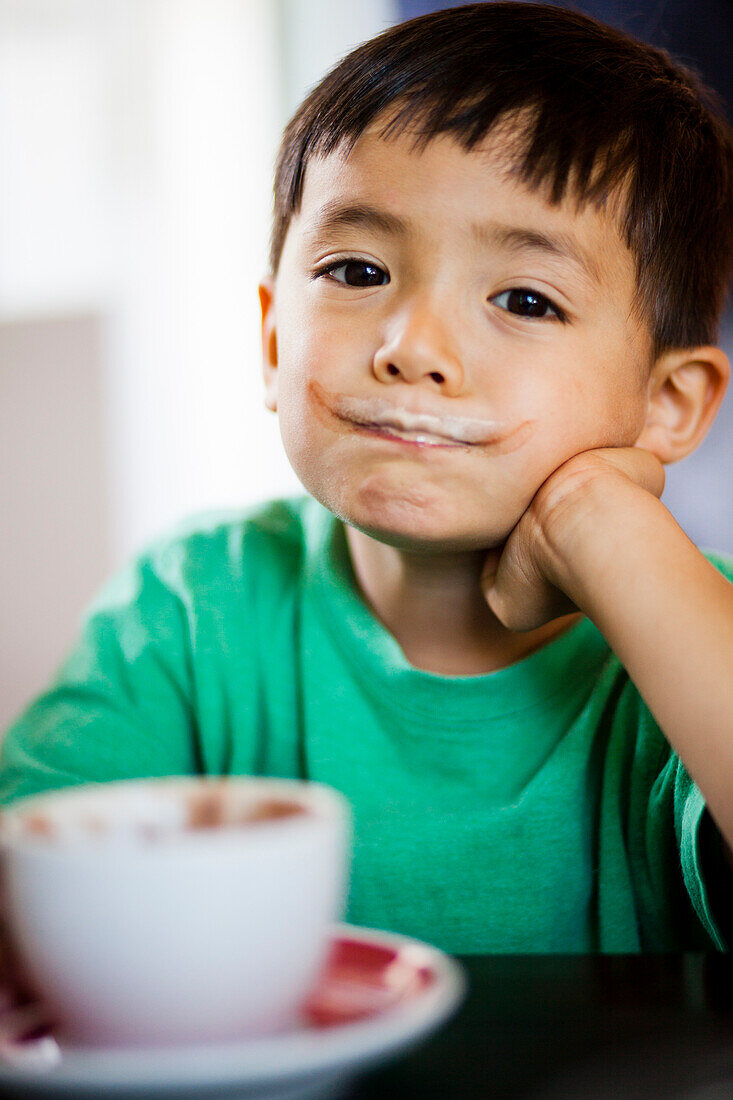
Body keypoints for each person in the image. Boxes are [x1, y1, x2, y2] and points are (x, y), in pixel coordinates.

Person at [1, 1, 732, 953]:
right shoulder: (193, 607)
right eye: (355, 271)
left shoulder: (689, 632)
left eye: (523, 298)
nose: (412, 346)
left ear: (667, 404)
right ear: (270, 342)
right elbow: (29, 892)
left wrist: (607, 522)